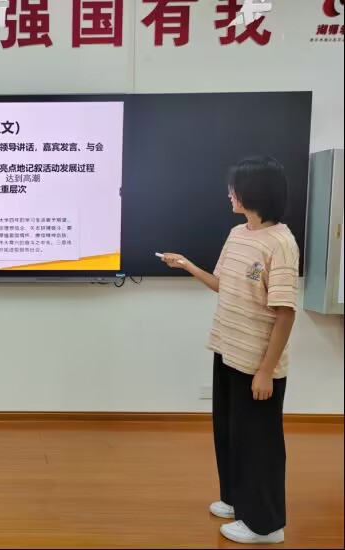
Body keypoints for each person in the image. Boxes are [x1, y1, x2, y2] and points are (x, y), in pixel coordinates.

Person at [161, 156, 299, 545]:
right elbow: (222, 283)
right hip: (228, 349)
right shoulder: (238, 234)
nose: (229, 194)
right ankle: (238, 500)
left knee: (260, 444)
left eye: (234, 188)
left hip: (257, 362)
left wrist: (266, 370)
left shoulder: (281, 243)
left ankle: (266, 526)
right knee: (230, 434)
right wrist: (187, 265)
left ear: (253, 192)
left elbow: (285, 312)